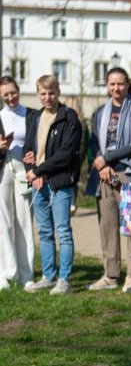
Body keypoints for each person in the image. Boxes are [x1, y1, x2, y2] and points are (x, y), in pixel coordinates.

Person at [86, 67, 131, 292]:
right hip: (104, 175)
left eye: (120, 83)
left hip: (128, 175)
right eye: (112, 84)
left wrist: (106, 159)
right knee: (107, 226)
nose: (116, 88)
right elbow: (93, 142)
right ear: (107, 85)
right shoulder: (100, 113)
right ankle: (110, 275)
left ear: (127, 84)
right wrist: (100, 163)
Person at [22, 75, 82, 294]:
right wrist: (30, 170)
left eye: (51, 92)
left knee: (63, 231)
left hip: (60, 183)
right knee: (45, 233)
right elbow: (27, 148)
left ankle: (64, 280)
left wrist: (39, 170)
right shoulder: (34, 117)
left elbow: (67, 153)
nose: (47, 97)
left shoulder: (69, 117)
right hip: (39, 185)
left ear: (58, 92)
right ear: (38, 94)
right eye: (43, 93)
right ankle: (48, 276)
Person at [0, 75, 36, 289]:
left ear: (18, 91)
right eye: (6, 94)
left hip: (24, 170)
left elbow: (38, 142)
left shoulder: (30, 115)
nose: (10, 97)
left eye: (13, 92)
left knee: (24, 221)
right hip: (3, 168)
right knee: (3, 222)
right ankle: (5, 272)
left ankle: (26, 275)